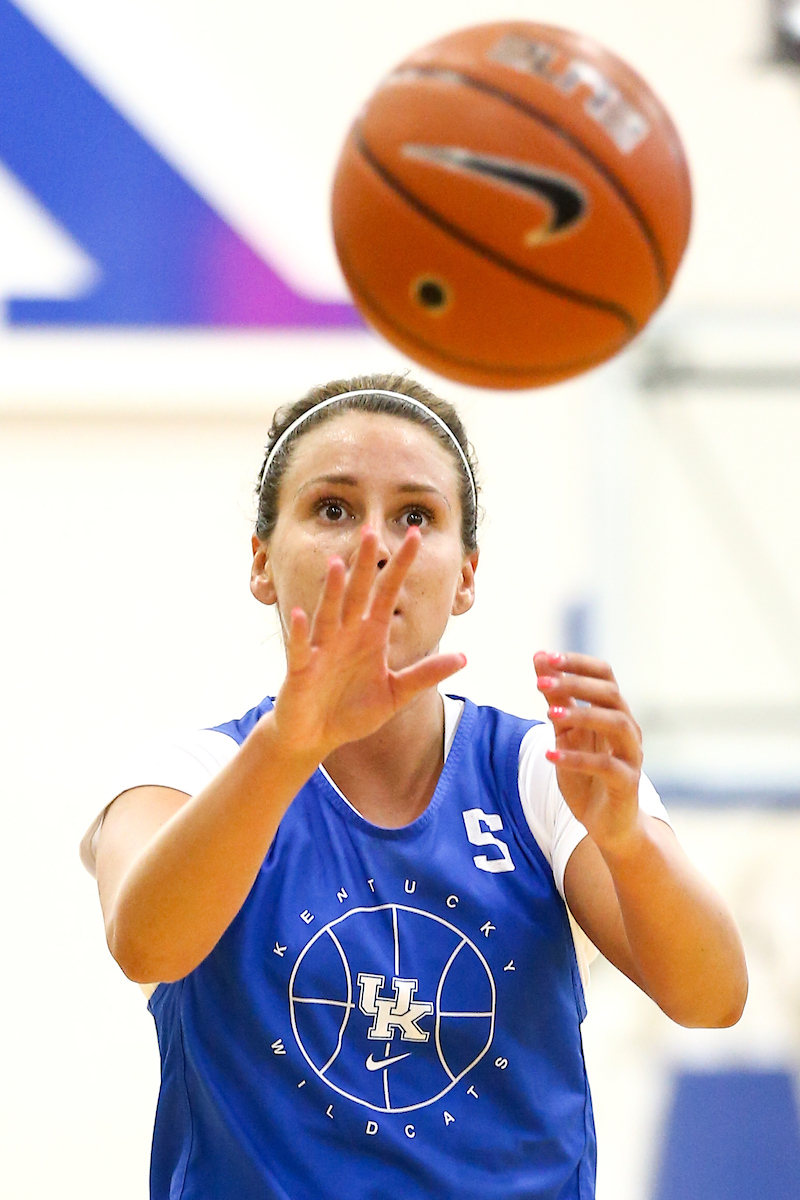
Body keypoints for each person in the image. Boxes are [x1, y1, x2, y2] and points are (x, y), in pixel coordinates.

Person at [81, 373, 747, 1200]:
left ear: (466, 575)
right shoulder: (184, 775)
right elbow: (147, 944)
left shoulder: (542, 771)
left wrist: (626, 839)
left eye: (415, 515)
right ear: (261, 561)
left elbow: (714, 998)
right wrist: (291, 742)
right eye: (333, 509)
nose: (376, 545)